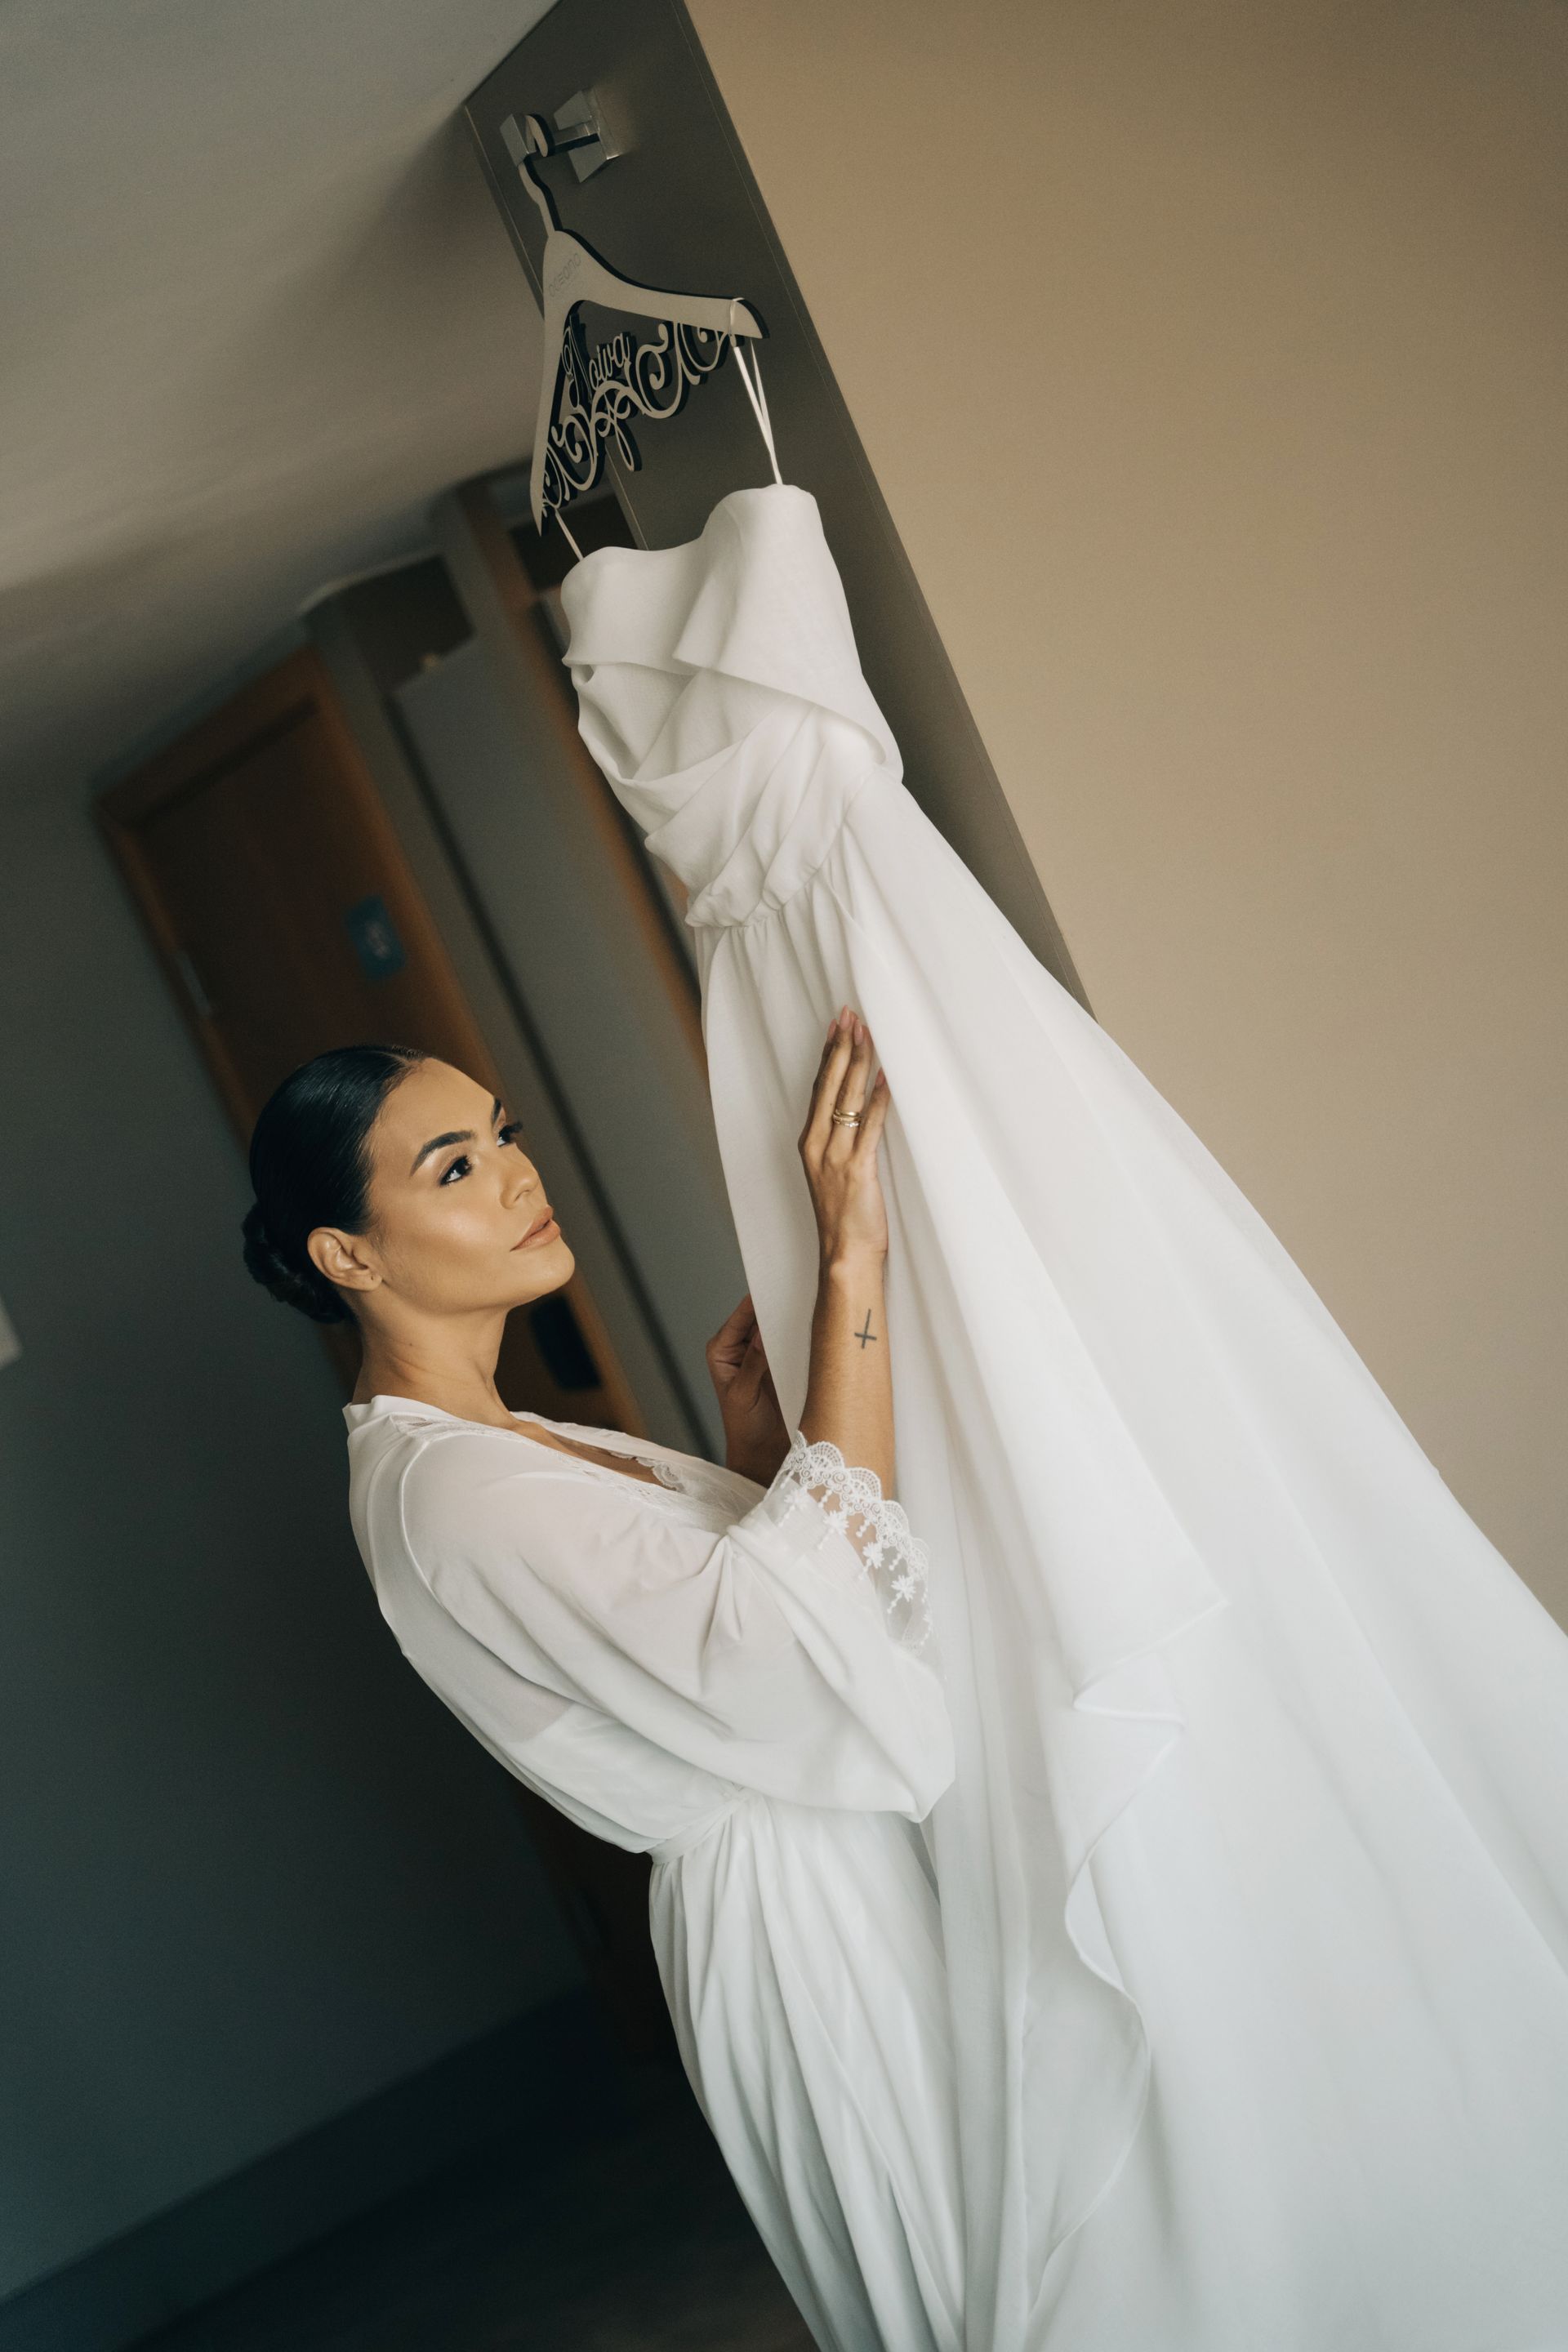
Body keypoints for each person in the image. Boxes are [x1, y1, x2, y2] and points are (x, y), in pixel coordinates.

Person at [241, 1015, 963, 2352]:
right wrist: (849, 1269)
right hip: (806, 1928)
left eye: (503, 1135)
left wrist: (753, 1461)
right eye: (455, 1167)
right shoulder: (448, 1490)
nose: (519, 1174)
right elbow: (784, 1655)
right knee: (987, 2281)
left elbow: (701, 1653)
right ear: (348, 1255)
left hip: (829, 1856)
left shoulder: (498, 1438)